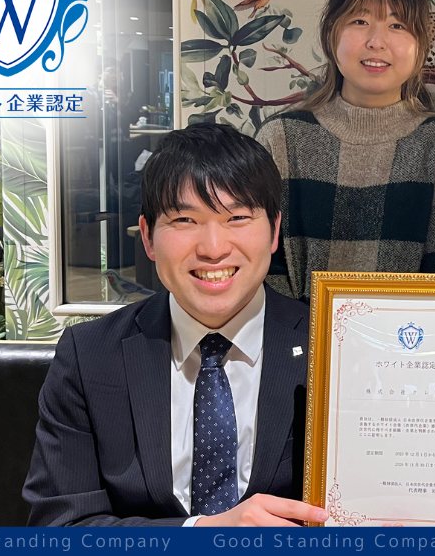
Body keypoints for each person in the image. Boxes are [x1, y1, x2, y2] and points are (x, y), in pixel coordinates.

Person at [24, 123, 328, 527]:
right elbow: (60, 526)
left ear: (274, 232)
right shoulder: (90, 355)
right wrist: (202, 533)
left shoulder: (330, 345)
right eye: (185, 220)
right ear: (148, 237)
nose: (214, 249)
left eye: (237, 217)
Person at [257, 0, 435, 303]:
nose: (377, 42)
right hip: (296, 335)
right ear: (330, 33)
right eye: (360, 21)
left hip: (409, 336)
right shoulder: (281, 138)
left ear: (421, 45)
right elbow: (261, 265)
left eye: (397, 25)